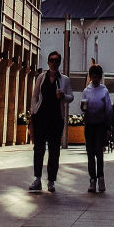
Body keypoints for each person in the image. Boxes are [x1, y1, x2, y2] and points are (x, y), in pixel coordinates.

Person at [28, 51, 73, 193]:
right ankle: (37, 179)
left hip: (56, 118)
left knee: (54, 150)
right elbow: (35, 96)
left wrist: (63, 96)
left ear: (59, 62)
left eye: (56, 60)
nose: (53, 63)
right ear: (48, 62)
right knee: (39, 149)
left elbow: (71, 96)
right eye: (51, 60)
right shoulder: (41, 77)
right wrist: (33, 112)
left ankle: (51, 181)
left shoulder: (64, 79)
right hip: (41, 117)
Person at [81, 64, 113, 193]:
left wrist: (108, 127)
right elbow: (83, 108)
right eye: (92, 76)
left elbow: (108, 110)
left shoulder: (104, 91)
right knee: (90, 153)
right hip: (89, 124)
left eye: (97, 77)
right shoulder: (86, 91)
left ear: (100, 77)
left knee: (99, 153)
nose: (94, 79)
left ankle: (100, 177)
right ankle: (92, 179)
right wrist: (83, 107)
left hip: (100, 125)